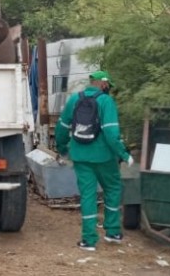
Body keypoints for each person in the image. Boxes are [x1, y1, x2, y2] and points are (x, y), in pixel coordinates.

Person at [55, 70, 133, 251]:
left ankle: (88, 240)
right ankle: (112, 231)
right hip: (105, 157)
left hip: (80, 156)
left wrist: (63, 148)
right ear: (104, 84)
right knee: (113, 189)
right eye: (108, 85)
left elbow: (62, 127)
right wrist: (124, 154)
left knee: (88, 195)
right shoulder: (106, 101)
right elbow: (111, 133)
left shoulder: (74, 99)